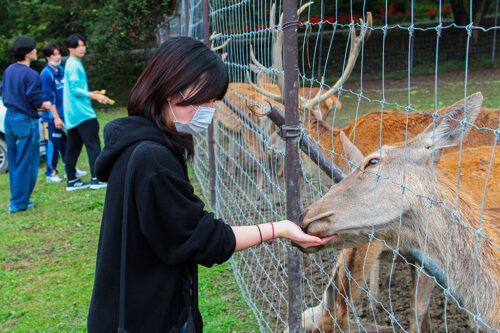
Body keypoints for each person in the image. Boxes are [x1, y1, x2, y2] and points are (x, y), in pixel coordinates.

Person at [87, 37, 335, 332]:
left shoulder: (139, 145)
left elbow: (177, 231)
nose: (208, 108)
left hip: (129, 310)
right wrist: (278, 229)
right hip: (146, 319)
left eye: (212, 100)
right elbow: (201, 239)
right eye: (203, 99)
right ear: (169, 87)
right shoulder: (152, 159)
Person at [1, 37, 50, 213]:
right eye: (34, 49)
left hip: (10, 118)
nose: (36, 52)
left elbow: (3, 90)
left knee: (15, 161)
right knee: (27, 162)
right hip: (25, 120)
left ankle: (18, 199)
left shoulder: (9, 70)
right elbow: (35, 99)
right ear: (28, 52)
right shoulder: (30, 74)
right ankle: (19, 203)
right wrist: (45, 105)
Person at [63, 33, 110, 191]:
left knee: (73, 147)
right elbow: (75, 90)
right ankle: (97, 179)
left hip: (72, 114)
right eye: (78, 46)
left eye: (83, 45)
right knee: (93, 145)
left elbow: (75, 88)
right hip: (83, 113)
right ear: (70, 48)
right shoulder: (74, 64)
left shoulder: (71, 63)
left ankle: (71, 180)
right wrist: (95, 96)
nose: (82, 48)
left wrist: (90, 92)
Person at [40, 42, 88, 183]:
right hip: (52, 118)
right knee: (53, 146)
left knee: (68, 144)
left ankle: (70, 169)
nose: (58, 57)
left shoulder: (61, 70)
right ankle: (51, 173)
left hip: (65, 114)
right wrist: (55, 117)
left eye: (59, 54)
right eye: (54, 54)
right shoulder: (46, 74)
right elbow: (48, 98)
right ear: (48, 57)